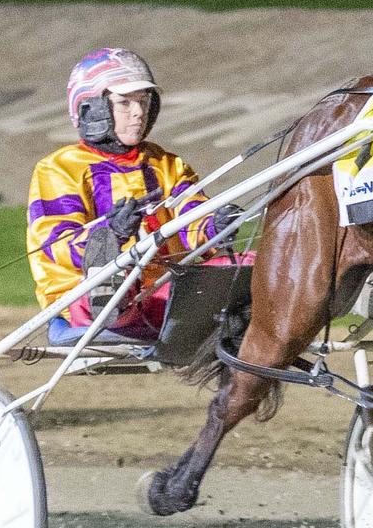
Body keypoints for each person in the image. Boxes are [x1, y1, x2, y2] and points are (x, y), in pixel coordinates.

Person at [26, 47, 237, 338]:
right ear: (92, 109)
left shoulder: (167, 164)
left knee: (251, 266)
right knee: (107, 287)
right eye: (125, 103)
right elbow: (55, 245)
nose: (138, 112)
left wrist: (215, 226)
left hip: (168, 293)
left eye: (144, 101)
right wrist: (110, 234)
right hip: (87, 301)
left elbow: (192, 217)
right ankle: (121, 307)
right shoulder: (59, 169)